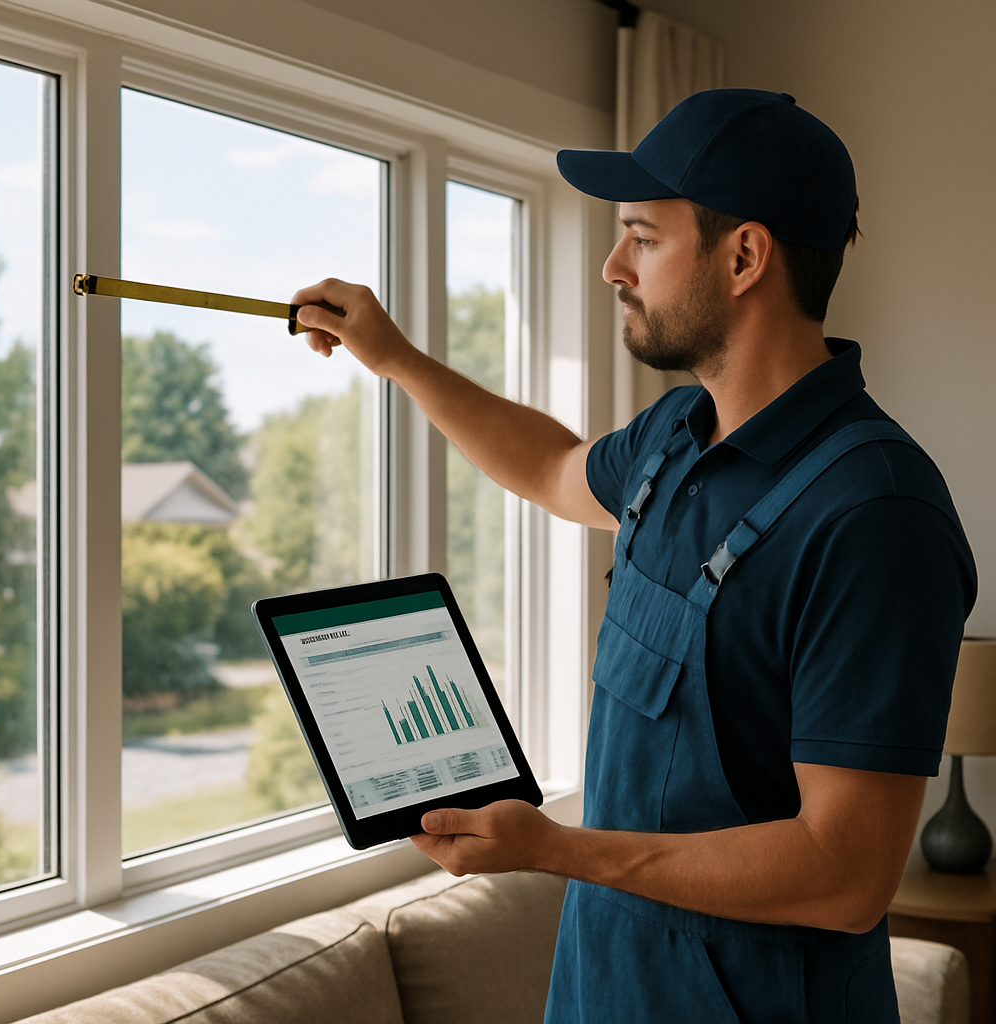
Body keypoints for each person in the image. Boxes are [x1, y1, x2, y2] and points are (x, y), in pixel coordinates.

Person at [292, 88, 976, 1023]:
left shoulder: (874, 517)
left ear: (744, 257)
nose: (614, 267)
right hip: (604, 988)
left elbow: (845, 872)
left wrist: (555, 848)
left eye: (643, 238)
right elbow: (546, 464)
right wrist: (398, 358)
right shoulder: (674, 437)